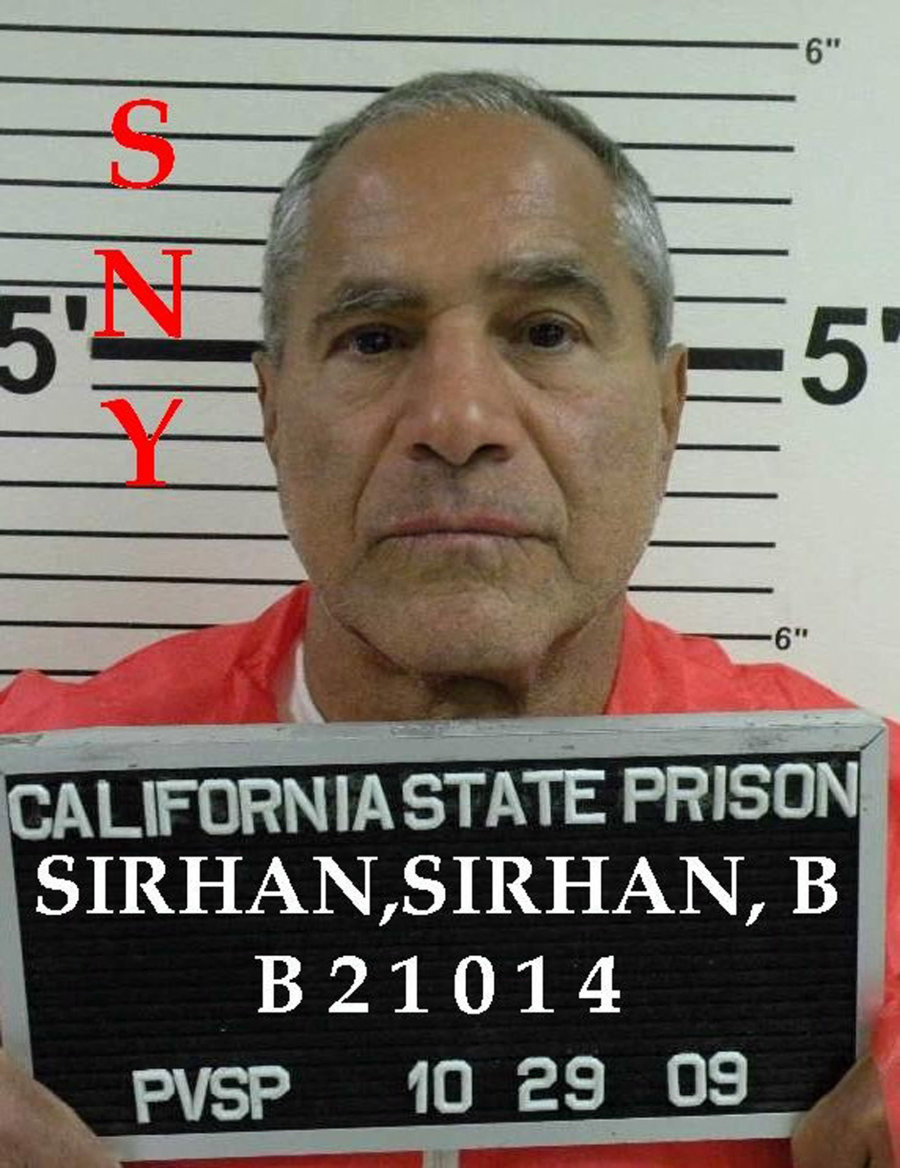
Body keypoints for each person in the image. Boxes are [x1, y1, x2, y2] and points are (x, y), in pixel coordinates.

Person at [0, 70, 897, 1168]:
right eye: (375, 339)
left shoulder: (882, 831)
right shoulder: (22, 804)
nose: (459, 421)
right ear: (271, 409)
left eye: (547, 331)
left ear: (669, 406)